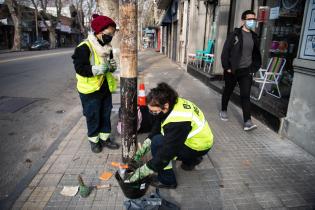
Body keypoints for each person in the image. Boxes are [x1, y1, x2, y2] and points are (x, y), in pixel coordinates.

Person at [125, 83, 214, 188]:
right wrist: (144, 148)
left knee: (158, 143)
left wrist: (141, 172)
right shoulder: (173, 102)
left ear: (165, 106)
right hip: (202, 139)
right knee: (157, 138)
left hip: (198, 146)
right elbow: (158, 125)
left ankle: (167, 180)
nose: (152, 114)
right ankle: (192, 160)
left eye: (154, 111)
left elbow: (166, 153)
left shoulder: (178, 122)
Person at [72, 14, 120, 153]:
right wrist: (95, 69)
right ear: (99, 31)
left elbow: (110, 65)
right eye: (109, 33)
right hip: (89, 90)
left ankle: (105, 139)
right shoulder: (84, 47)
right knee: (93, 116)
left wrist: (112, 66)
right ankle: (94, 141)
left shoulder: (107, 47)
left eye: (112, 34)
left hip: (104, 87)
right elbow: (80, 68)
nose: (111, 36)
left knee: (105, 114)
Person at [220, 10, 262, 131]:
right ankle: (223, 109)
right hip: (232, 70)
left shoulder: (254, 36)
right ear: (243, 20)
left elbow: (255, 54)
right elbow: (225, 51)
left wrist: (253, 68)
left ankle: (247, 122)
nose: (252, 21)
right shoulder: (235, 34)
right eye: (249, 19)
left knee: (245, 96)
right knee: (228, 91)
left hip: (246, 71)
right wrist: (226, 67)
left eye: (254, 19)